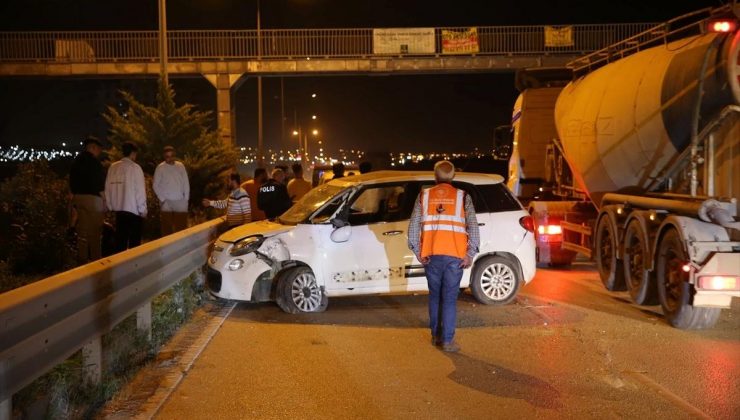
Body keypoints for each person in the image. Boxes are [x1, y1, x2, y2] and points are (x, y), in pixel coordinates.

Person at [407, 161, 479, 353]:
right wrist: (470, 253)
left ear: (435, 175)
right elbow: (473, 226)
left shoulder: (424, 196)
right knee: (448, 299)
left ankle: (435, 336)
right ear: (453, 176)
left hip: (431, 255)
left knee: (435, 296)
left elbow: (414, 226)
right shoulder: (463, 197)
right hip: (455, 256)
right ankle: (447, 341)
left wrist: (417, 251)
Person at [105, 142, 148, 252]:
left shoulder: (113, 167)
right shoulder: (135, 168)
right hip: (134, 211)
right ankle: (133, 266)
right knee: (134, 244)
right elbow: (140, 191)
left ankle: (120, 266)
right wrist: (143, 210)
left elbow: (107, 188)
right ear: (133, 153)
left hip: (119, 210)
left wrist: (109, 205)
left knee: (120, 241)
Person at [69, 136, 106, 264]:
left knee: (82, 231)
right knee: (95, 231)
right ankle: (96, 259)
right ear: (93, 148)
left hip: (78, 198)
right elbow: (99, 184)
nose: (99, 153)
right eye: (99, 150)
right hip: (93, 199)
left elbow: (71, 181)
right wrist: (106, 201)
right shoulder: (95, 163)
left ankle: (82, 258)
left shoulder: (76, 161)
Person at [153, 146, 190, 236]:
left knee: (181, 229)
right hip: (167, 202)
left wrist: (186, 199)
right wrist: (163, 199)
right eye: (167, 156)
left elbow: (186, 182)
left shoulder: (180, 166)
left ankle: (181, 247)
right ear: (164, 157)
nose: (170, 158)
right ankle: (168, 249)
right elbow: (155, 185)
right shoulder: (160, 168)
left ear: (174, 155)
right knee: (167, 231)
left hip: (180, 201)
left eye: (171, 156)